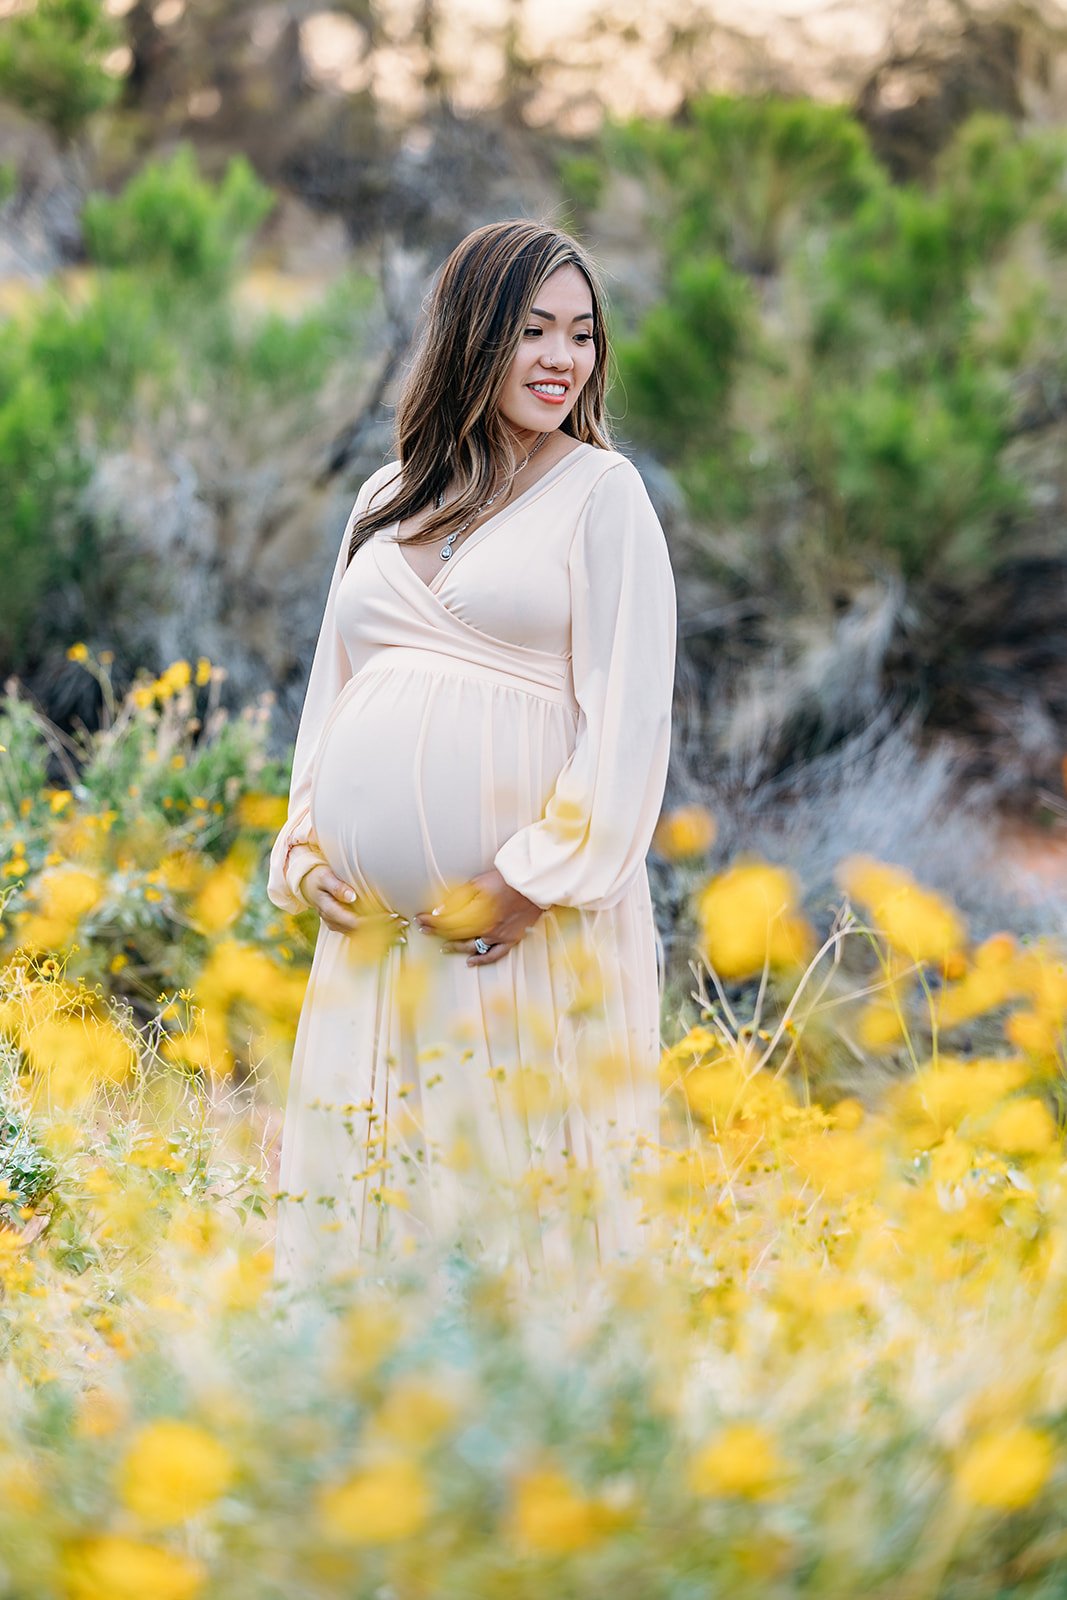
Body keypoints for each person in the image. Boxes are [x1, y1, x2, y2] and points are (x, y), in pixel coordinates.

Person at [266, 218, 677, 1294]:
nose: (561, 358)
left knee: (510, 1196)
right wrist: (306, 851)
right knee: (368, 1197)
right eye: (532, 328)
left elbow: (628, 720)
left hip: (513, 933)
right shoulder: (380, 498)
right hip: (371, 938)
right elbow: (333, 694)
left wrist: (532, 881)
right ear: (470, 334)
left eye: (581, 335)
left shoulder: (602, 494)